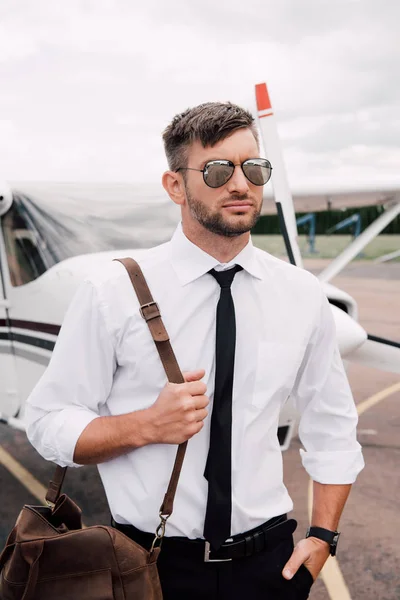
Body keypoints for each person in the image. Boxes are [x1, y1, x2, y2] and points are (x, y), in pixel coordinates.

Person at [25, 101, 364, 600]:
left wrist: (322, 537)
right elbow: (47, 421)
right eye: (217, 169)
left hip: (271, 563)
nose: (240, 183)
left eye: (253, 167)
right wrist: (145, 426)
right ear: (175, 186)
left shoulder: (300, 293)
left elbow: (332, 424)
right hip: (151, 563)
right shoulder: (110, 291)